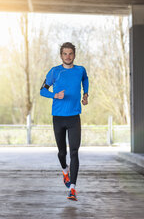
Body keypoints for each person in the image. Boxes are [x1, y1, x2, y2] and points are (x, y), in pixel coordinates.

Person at [40, 42, 89, 201]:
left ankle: (73, 188)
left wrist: (86, 94)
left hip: (74, 117)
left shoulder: (80, 70)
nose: (68, 56)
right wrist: (54, 95)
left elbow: (85, 80)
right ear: (61, 55)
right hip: (59, 118)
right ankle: (64, 169)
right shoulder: (55, 72)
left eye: (70, 54)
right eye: (65, 54)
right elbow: (42, 90)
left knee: (74, 152)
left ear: (74, 55)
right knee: (62, 153)